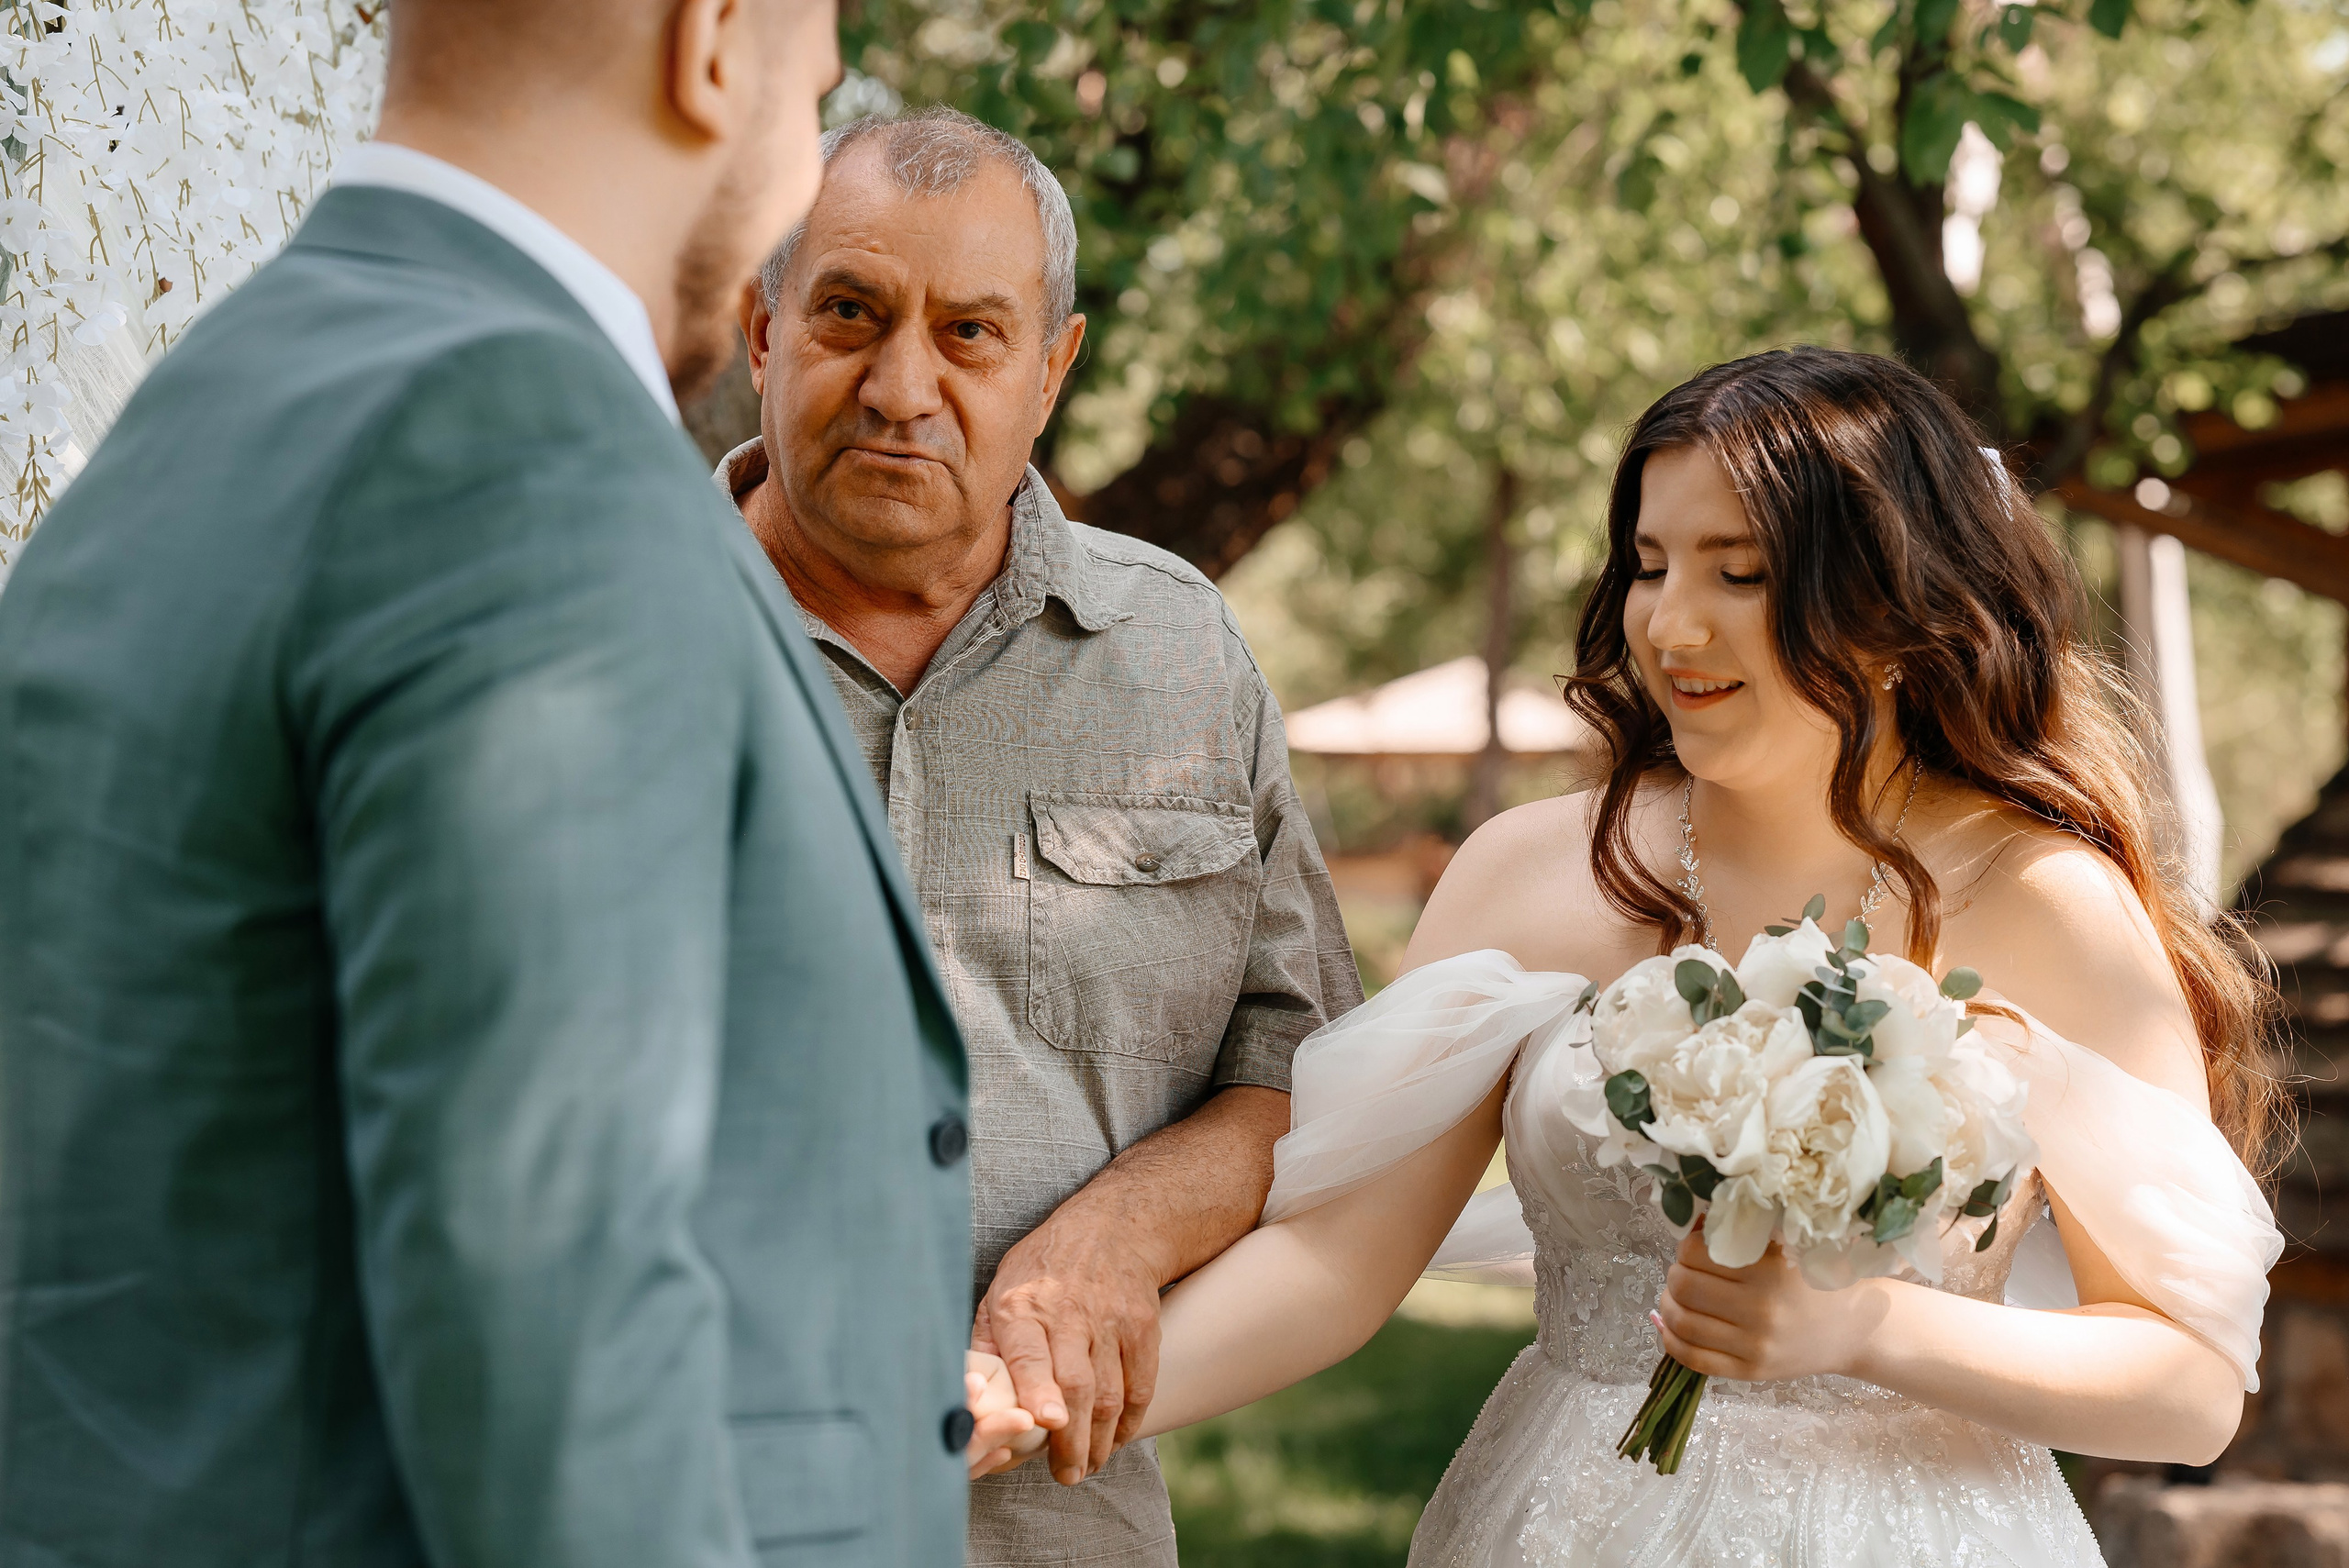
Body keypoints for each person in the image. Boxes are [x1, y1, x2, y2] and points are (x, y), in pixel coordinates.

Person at [973, 347, 2286, 1565]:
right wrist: (1023, 1404)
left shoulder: (2043, 901)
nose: (1671, 624)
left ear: (1890, 603)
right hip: (1563, 1517)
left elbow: (2188, 1385)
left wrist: (1873, 1326)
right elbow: (1331, 1264)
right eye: (1652, 563)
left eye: (1740, 570)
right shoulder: (1527, 874)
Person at [0, 4, 1010, 1564]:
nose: (802, 152)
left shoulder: (202, 415)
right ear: (716, 43)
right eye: (814, 87)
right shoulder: (514, 457)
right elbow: (553, 1319)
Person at [717, 105, 1361, 1566]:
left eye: (969, 334)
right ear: (762, 335)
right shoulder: (586, 638)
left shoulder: (1182, 653)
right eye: (849, 314)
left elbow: (1303, 1064)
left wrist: (1119, 1230)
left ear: (1053, 368)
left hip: (1058, 1533)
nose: (900, 385)